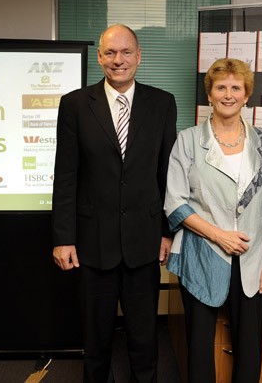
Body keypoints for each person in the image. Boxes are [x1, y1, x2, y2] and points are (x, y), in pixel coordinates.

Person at [51, 24, 177, 383]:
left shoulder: (162, 103)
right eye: (110, 53)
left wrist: (168, 232)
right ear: (100, 57)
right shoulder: (75, 104)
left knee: (144, 337)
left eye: (125, 52)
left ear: (139, 56)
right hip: (92, 243)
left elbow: (167, 173)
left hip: (145, 240)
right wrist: (63, 237)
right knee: (96, 339)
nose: (117, 60)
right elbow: (66, 176)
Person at [165, 58, 262, 383]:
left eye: (236, 87)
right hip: (202, 256)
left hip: (253, 260)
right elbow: (175, 205)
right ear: (210, 94)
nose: (228, 94)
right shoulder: (188, 140)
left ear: (247, 95)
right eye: (221, 87)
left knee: (250, 353)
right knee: (199, 353)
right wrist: (219, 235)